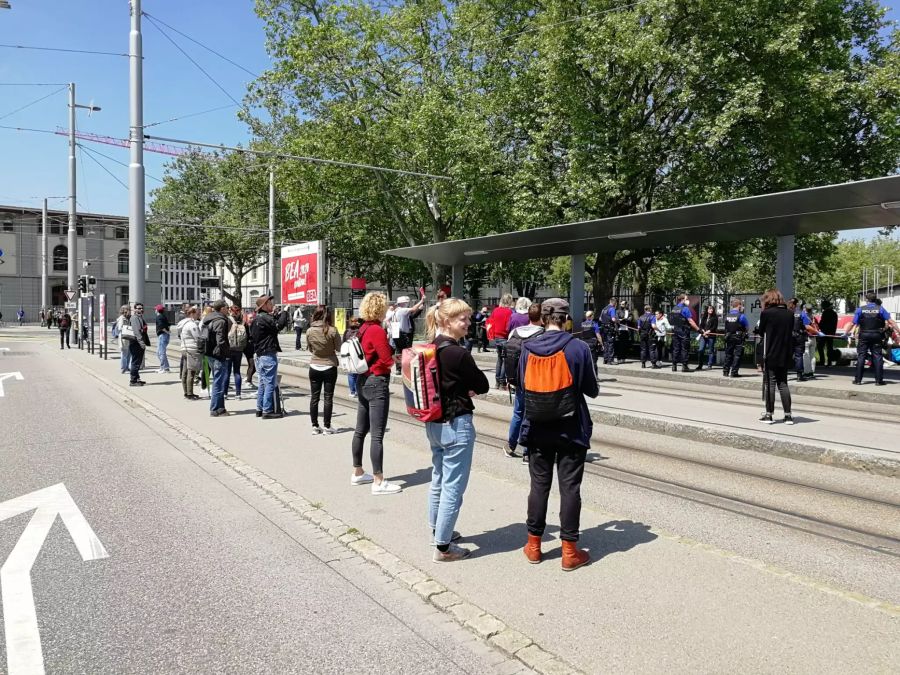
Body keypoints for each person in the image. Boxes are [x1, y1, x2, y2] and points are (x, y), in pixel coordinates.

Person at [520, 298, 598, 571]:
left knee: (539, 486)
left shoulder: (527, 348)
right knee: (570, 487)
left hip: (537, 427)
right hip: (571, 428)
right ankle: (569, 551)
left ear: (542, 318)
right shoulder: (579, 348)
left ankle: (533, 547)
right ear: (567, 319)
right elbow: (592, 389)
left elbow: (521, 385)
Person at [424, 298, 490, 562]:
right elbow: (482, 384)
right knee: (453, 485)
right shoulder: (457, 353)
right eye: (462, 318)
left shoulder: (430, 348)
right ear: (447, 321)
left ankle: (437, 530)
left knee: (438, 479)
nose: (467, 322)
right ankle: (443, 548)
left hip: (434, 423)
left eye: (468, 317)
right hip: (456, 423)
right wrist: (467, 387)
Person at [352, 291, 402, 495]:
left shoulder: (362, 328)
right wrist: (395, 360)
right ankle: (378, 481)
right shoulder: (377, 331)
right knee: (377, 434)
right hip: (377, 381)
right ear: (380, 309)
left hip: (363, 380)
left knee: (360, 430)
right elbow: (386, 359)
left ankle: (357, 472)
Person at [506, 302, 544, 461]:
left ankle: (511, 445)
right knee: (533, 416)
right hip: (535, 381)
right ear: (542, 317)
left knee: (518, 413)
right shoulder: (542, 334)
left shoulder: (515, 332)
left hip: (518, 380)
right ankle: (528, 451)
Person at [758, 289, 795, 424]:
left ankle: (769, 414)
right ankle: (788, 415)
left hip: (771, 353)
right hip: (785, 353)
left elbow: (761, 332)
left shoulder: (766, 313)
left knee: (770, 383)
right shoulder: (789, 314)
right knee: (783, 383)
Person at [250, 294, 289, 418]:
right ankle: (268, 410)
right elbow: (278, 326)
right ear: (264, 305)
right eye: (270, 303)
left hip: (259, 354)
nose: (272, 305)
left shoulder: (257, 319)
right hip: (267, 354)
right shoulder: (265, 318)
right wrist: (284, 313)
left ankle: (259, 408)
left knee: (262, 382)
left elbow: (271, 327)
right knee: (270, 383)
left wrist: (276, 315)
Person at [306, 305, 342, 434]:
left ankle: (315, 426)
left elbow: (310, 349)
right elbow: (339, 348)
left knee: (314, 397)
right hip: (329, 365)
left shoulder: (309, 330)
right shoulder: (332, 330)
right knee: (328, 397)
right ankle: (327, 426)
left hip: (314, 365)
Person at [851, 292, 898, 386]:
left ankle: (858, 380)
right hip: (877, 335)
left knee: (861, 356)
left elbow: (854, 323)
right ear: (875, 299)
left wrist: (847, 333)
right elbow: (891, 322)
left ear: (866, 300)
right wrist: (899, 331)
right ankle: (879, 381)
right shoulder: (880, 309)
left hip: (864, 335)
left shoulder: (860, 309)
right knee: (877, 357)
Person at [204, 300, 231, 416]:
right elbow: (221, 340)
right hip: (218, 354)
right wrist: (227, 352)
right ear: (222, 308)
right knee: (218, 382)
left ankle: (220, 408)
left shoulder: (209, 318)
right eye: (227, 307)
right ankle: (215, 409)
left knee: (217, 381)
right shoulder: (220, 321)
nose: (228, 309)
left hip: (209, 353)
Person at [389, 292, 426, 375]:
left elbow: (412, 315)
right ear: (402, 303)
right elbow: (413, 309)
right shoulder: (402, 310)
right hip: (403, 333)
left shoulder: (395, 311)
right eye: (406, 303)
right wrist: (421, 300)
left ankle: (399, 369)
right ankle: (406, 368)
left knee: (398, 351)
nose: (407, 304)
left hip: (396, 331)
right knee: (406, 351)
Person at [488, 293, 515, 388]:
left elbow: (491, 322)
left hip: (497, 337)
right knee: (505, 360)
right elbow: (509, 326)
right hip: (505, 337)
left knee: (499, 359)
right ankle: (502, 381)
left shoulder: (495, 310)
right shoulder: (509, 312)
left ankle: (497, 381)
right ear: (509, 301)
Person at [669, 293, 700, 372]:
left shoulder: (674, 308)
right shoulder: (685, 309)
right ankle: (684, 366)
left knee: (676, 348)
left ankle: (674, 366)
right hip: (684, 331)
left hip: (676, 331)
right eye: (686, 299)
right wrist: (698, 329)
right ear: (682, 300)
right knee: (684, 349)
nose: (687, 301)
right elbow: (690, 321)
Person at [225, 303, 248, 400]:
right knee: (237, 372)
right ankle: (238, 394)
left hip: (229, 349)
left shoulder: (227, 320)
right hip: (239, 349)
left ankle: (225, 393)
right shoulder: (242, 321)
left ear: (230, 310)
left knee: (227, 372)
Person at [722, 299, 750, 378]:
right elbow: (747, 327)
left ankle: (725, 371)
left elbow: (726, 326)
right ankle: (734, 372)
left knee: (728, 354)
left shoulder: (727, 315)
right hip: (738, 337)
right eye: (741, 305)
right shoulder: (741, 316)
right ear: (739, 305)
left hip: (729, 337)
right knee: (737, 355)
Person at [180, 306, 201, 400]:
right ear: (192, 314)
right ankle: (190, 393)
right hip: (191, 349)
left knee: (185, 372)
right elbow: (198, 337)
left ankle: (186, 392)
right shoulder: (192, 325)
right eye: (197, 313)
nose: (199, 315)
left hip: (184, 348)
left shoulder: (184, 323)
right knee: (191, 372)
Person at [788, 298, 811, 382]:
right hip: (799, 337)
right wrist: (818, 333)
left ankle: (783, 373)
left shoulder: (787, 312)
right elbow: (807, 325)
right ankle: (799, 375)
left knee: (787, 354)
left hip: (789, 337)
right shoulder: (801, 313)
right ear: (798, 304)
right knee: (799, 355)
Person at [127, 303, 148, 386]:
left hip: (137, 342)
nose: (141, 310)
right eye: (139, 308)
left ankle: (137, 378)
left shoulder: (139, 317)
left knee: (137, 362)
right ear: (135, 309)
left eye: (142, 308)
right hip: (136, 343)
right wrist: (141, 342)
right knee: (135, 362)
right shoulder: (135, 318)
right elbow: (136, 331)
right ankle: (133, 381)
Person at [817, 300, 839, 367]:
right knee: (829, 347)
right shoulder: (834, 313)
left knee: (820, 346)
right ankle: (829, 362)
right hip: (831, 332)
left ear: (824, 306)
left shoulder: (825, 312)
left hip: (824, 332)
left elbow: (822, 322)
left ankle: (822, 361)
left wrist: (818, 326)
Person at [343, 316, 361, 397]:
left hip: (349, 355)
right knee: (358, 373)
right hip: (358, 354)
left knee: (351, 374)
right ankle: (358, 391)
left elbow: (343, 343)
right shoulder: (360, 331)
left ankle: (352, 392)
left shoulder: (347, 331)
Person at [696, 305, 718, 370]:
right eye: (710, 309)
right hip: (703, 335)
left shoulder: (715, 318)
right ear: (707, 310)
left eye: (712, 309)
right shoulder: (704, 317)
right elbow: (701, 325)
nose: (711, 310)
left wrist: (707, 332)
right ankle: (700, 365)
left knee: (711, 350)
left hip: (711, 336)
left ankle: (709, 365)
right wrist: (703, 331)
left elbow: (714, 327)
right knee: (701, 350)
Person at [598, 297, 618, 365]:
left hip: (604, 328)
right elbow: (613, 319)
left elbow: (600, 318)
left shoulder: (604, 309)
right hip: (610, 328)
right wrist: (617, 321)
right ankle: (610, 360)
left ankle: (605, 359)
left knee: (605, 343)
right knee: (611, 343)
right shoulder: (612, 309)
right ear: (614, 303)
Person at [803, 303, 820, 379]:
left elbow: (806, 327)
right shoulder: (813, 317)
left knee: (806, 355)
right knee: (812, 356)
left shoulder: (804, 316)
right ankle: (812, 371)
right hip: (814, 338)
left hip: (806, 338)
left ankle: (807, 372)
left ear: (805, 308)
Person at [154, 304, 171, 374]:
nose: (155, 310)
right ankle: (165, 367)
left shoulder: (159, 317)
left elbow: (161, 326)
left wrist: (167, 332)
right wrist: (168, 331)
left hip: (162, 335)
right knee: (160, 352)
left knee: (160, 352)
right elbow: (168, 325)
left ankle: (163, 368)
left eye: (155, 309)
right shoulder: (164, 316)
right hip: (164, 335)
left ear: (157, 310)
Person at [115, 305, 132, 373]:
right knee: (124, 354)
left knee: (129, 354)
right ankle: (123, 368)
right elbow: (120, 328)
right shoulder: (122, 318)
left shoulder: (128, 318)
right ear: (125, 311)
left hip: (129, 338)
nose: (130, 311)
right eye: (129, 310)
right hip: (124, 339)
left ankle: (127, 367)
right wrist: (129, 328)